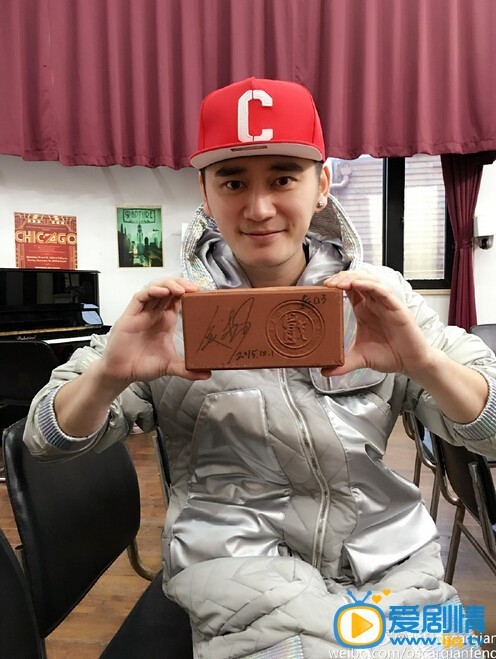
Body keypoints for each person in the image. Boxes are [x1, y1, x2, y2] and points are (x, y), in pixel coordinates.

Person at [24, 77, 496, 658]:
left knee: (451, 646)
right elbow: (44, 439)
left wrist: (424, 364)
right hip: (239, 579)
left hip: (394, 569)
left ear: (322, 185)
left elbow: (492, 431)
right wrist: (108, 378)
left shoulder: (380, 299)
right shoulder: (167, 314)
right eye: (232, 182)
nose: (259, 208)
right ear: (205, 191)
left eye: (283, 178)